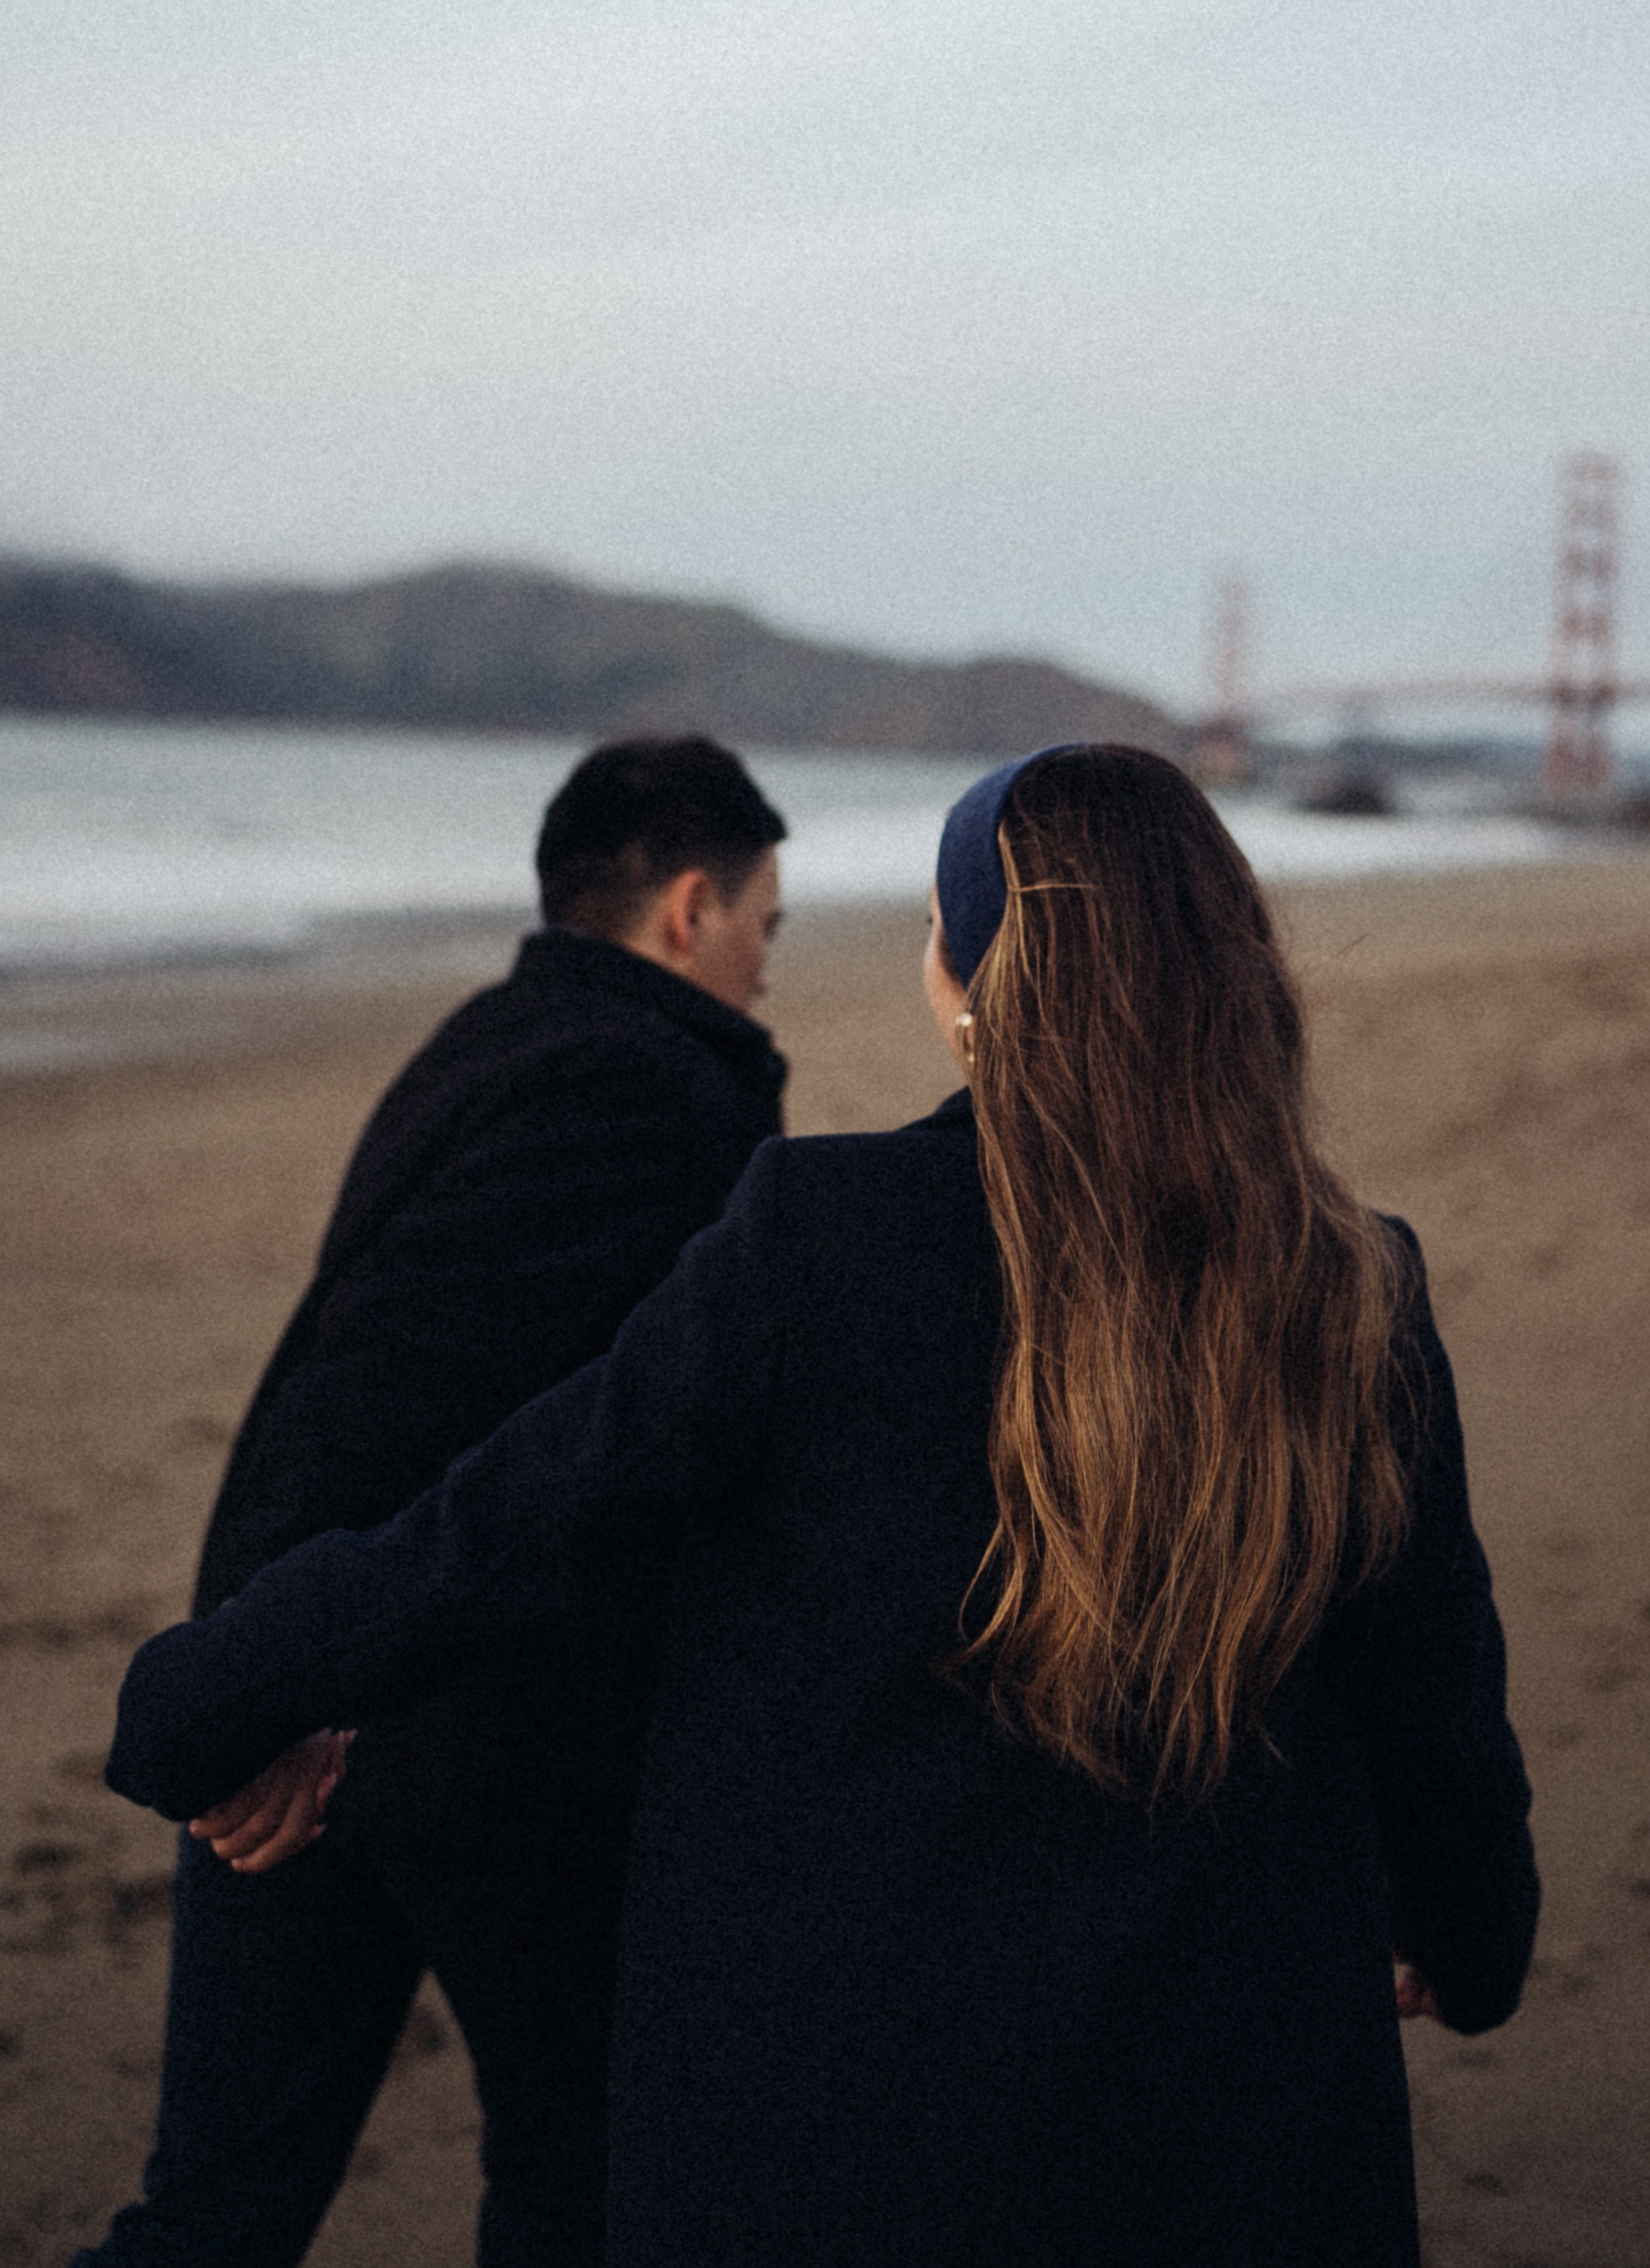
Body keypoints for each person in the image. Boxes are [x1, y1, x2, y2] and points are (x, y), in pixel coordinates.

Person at [105, 744, 1538, 2265]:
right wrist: (1469, 1939)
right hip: (1231, 2147)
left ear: (968, 974)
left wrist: (210, 1695)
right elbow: (1435, 1708)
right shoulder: (1352, 1286)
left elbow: (518, 1515)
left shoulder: (819, 1236)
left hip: (831, 2137)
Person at [78, 737, 788, 2268]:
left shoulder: (484, 1040)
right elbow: (404, 1393)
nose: (761, 970)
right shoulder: (640, 1086)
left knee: (213, 2208)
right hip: (448, 1729)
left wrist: (260, 1660)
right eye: (760, 929)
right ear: (684, 909)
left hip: (312, 1668)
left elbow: (335, 1386)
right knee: (577, 2179)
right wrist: (292, 1693)